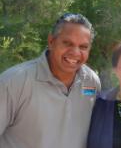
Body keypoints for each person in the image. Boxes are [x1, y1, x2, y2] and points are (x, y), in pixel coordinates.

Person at [0, 13, 101, 148]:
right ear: (51, 41)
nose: (75, 52)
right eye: (67, 43)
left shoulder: (91, 82)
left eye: (83, 47)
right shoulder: (13, 82)